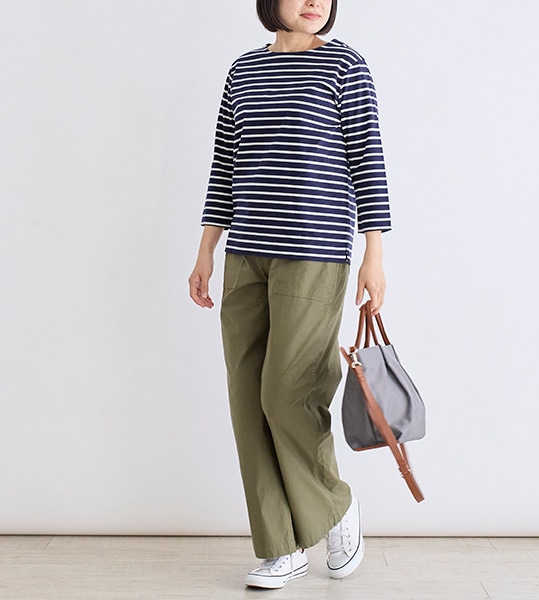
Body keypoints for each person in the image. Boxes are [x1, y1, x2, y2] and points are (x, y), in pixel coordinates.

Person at [189, 0, 392, 589]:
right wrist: (206, 250)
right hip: (245, 253)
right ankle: (280, 545)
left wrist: (374, 256)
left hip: (313, 253)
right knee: (247, 401)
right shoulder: (243, 70)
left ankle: (334, 505)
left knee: (288, 394)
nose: (314, 2)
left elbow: (368, 161)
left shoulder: (345, 66)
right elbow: (225, 165)